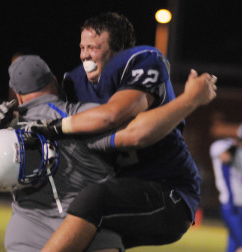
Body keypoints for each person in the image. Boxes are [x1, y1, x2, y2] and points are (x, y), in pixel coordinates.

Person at [24, 12, 218, 252]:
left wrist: (191, 100)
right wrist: (14, 116)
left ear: (120, 51)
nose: (85, 54)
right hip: (122, 191)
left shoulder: (141, 61)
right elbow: (44, 110)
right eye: (82, 47)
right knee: (81, 234)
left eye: (93, 47)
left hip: (169, 192)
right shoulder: (75, 82)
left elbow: (116, 118)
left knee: (95, 200)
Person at [0, 55, 126, 252]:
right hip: (90, 233)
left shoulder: (11, 129)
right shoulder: (89, 115)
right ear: (55, 81)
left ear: (18, 95)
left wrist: (4, 130)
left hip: (26, 236)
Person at [210, 138, 242, 252]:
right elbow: (221, 151)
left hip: (237, 204)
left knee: (234, 243)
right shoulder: (220, 147)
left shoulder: (237, 158)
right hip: (230, 204)